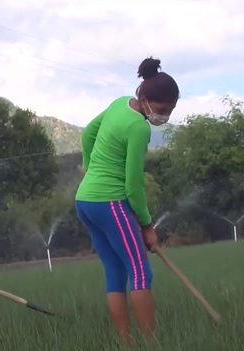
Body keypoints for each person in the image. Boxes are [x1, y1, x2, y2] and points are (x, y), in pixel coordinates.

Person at [74, 57, 180, 347]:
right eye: (161, 110)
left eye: (170, 111)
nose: (164, 117)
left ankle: (127, 344)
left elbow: (88, 134)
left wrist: (88, 166)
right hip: (110, 203)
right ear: (144, 99)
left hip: (85, 201)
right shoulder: (138, 128)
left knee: (115, 272)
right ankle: (151, 344)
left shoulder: (119, 103)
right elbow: (133, 185)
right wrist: (147, 225)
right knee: (141, 272)